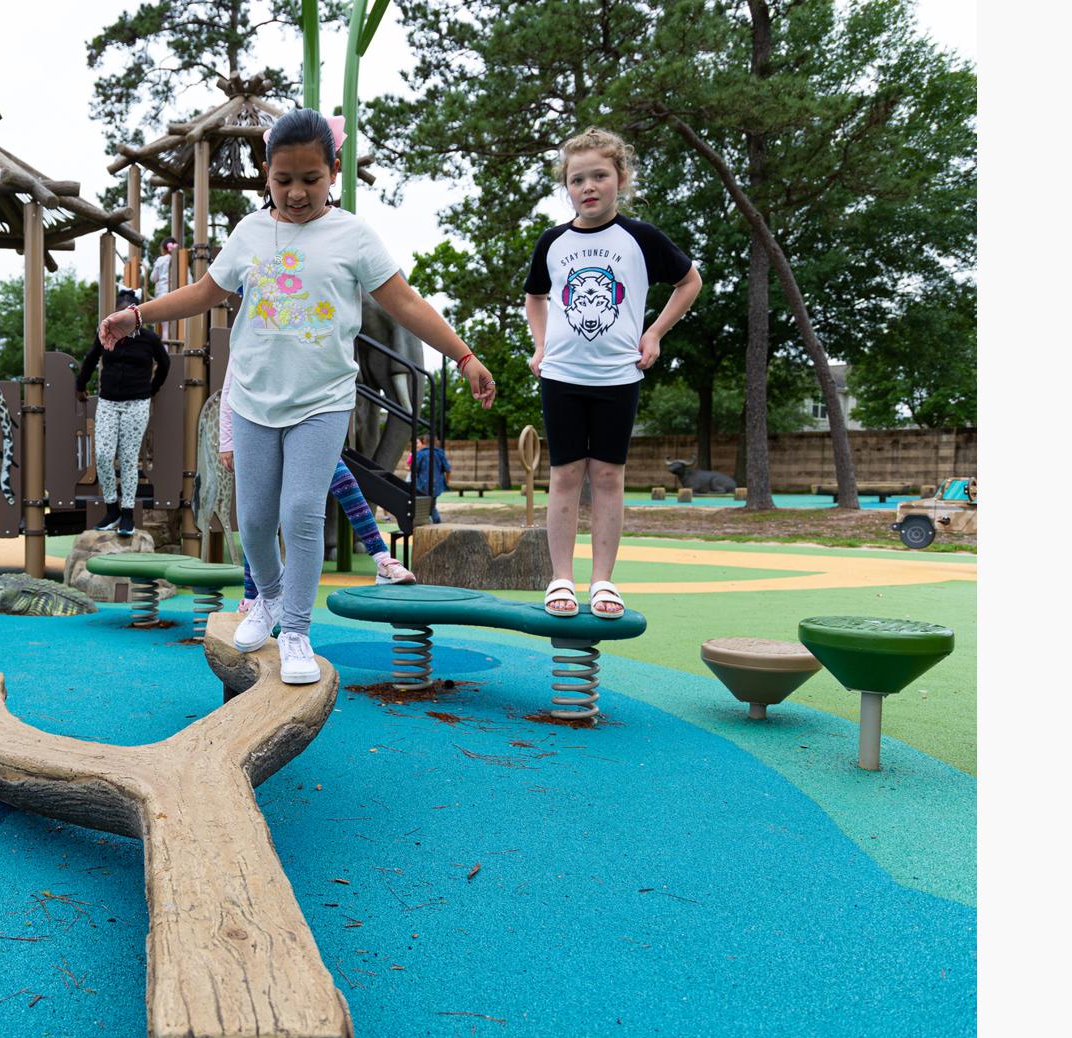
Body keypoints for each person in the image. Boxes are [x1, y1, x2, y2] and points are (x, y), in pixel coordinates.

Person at [97, 107, 493, 685]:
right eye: (284, 180)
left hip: (323, 399)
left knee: (301, 513)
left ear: (333, 173)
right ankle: (269, 600)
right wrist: (137, 315)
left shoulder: (352, 236)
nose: (297, 192)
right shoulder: (251, 233)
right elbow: (205, 291)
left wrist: (463, 355)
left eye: (311, 179)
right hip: (255, 398)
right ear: (266, 174)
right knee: (255, 520)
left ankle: (299, 633)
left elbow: (405, 302)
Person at [523, 127, 702, 619]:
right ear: (567, 186)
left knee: (606, 476)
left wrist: (655, 334)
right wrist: (540, 347)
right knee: (563, 477)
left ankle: (603, 582)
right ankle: (561, 578)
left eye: (599, 175)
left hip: (618, 378)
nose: (589, 187)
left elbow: (690, 282)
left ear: (620, 178)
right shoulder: (553, 242)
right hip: (561, 376)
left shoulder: (640, 238)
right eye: (577, 178)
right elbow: (534, 296)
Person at [215, 370, 416, 606]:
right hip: (264, 424)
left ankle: (382, 558)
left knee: (344, 483)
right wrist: (227, 440)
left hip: (306, 424)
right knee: (260, 516)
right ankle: (251, 597)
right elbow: (233, 381)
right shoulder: (254, 336)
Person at [77, 287, 170, 536]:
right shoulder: (108, 333)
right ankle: (112, 509)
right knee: (104, 455)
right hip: (108, 402)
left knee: (129, 458)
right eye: (119, 312)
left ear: (135, 316)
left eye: (127, 312)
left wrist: (152, 389)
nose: (122, 317)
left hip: (137, 403)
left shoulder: (149, 339)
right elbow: (90, 358)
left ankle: (127, 513)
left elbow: (165, 363)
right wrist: (80, 385)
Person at [410, 433, 450, 523]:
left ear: (424, 441)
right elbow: (447, 469)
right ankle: (434, 521)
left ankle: (435, 521)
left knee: (427, 505)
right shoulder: (440, 453)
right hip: (437, 484)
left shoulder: (420, 454)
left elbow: (413, 469)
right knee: (432, 504)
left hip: (422, 485)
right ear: (436, 441)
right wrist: (446, 482)